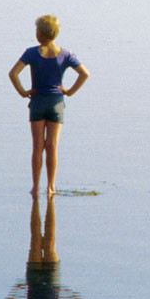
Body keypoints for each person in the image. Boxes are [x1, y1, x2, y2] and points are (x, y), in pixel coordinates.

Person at [9, 15, 89, 195]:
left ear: (41, 33)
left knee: (38, 146)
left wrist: (23, 92)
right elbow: (84, 74)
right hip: (57, 103)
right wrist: (69, 91)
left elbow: (13, 74)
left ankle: (36, 187)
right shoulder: (65, 54)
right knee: (52, 146)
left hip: (37, 102)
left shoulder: (31, 53)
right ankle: (51, 186)